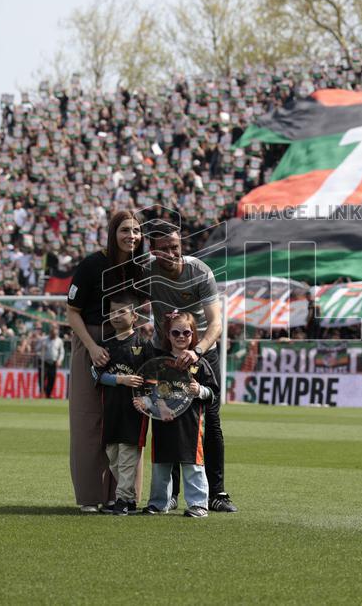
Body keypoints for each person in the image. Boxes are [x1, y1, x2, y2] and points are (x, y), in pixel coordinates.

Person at [144, 220, 236, 513]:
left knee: (211, 421)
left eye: (176, 247)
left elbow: (216, 323)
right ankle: (170, 495)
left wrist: (196, 351)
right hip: (165, 353)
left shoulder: (199, 272)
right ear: (153, 251)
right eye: (165, 249)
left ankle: (216, 494)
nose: (172, 253)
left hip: (202, 351)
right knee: (166, 418)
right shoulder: (146, 272)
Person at [65, 210, 148, 514]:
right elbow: (71, 312)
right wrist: (91, 346)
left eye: (137, 231)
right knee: (88, 420)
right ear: (113, 233)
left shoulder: (140, 268)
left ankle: (123, 497)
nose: (132, 236)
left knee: (127, 416)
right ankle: (90, 496)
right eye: (125, 230)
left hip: (127, 344)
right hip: (91, 340)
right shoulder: (91, 264)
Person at [135, 311, 214, 518]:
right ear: (167, 335)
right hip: (163, 422)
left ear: (193, 335)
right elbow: (151, 388)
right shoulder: (159, 363)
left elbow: (213, 393)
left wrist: (201, 391)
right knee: (161, 464)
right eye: (175, 332)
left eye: (186, 332)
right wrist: (160, 406)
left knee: (192, 464)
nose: (181, 336)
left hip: (191, 424)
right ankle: (158, 503)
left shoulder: (200, 363)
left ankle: (198, 504)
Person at [92, 292, 153, 516]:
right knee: (114, 457)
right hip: (111, 410)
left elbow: (152, 377)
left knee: (128, 457)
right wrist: (121, 380)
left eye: (121, 311)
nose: (115, 316)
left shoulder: (143, 345)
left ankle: (123, 501)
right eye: (112, 312)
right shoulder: (103, 345)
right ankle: (127, 501)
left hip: (133, 412)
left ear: (134, 316)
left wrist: (146, 400)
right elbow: (96, 375)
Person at [39, 324, 64, 398]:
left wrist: (59, 360)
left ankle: (48, 395)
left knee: (51, 379)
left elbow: (62, 352)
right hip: (44, 362)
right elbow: (37, 348)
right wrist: (41, 347)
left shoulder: (59, 341)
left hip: (53, 363)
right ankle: (42, 393)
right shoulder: (44, 339)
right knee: (42, 378)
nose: (53, 334)